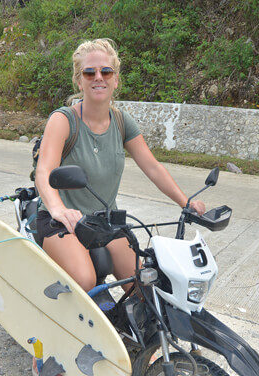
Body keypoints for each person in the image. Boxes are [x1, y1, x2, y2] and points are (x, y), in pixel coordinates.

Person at [34, 38, 205, 293]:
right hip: (63, 222)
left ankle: (135, 330)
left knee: (144, 283)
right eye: (89, 72)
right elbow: (44, 171)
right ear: (79, 81)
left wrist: (186, 203)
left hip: (103, 222)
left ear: (115, 80)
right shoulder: (63, 120)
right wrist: (58, 209)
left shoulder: (122, 122)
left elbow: (153, 167)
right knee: (84, 281)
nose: (98, 77)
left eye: (106, 71)